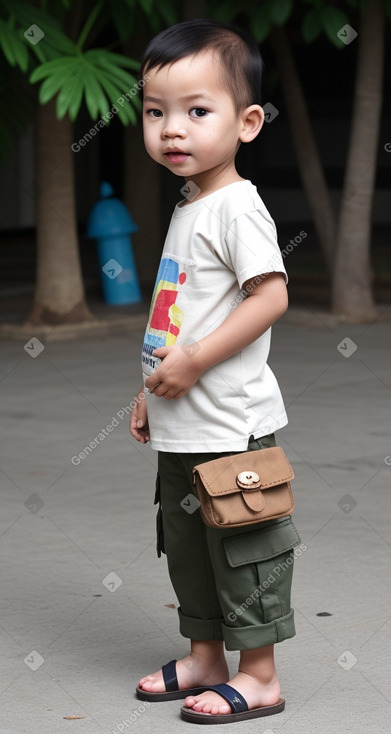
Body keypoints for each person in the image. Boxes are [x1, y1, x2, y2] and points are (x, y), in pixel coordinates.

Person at [129, 18, 301, 725]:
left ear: (248, 121)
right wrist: (147, 391)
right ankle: (204, 655)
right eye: (155, 111)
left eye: (197, 111)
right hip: (182, 421)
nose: (173, 129)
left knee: (242, 546)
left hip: (230, 424)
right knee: (190, 547)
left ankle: (257, 676)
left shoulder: (237, 206)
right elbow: (177, 315)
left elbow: (271, 295)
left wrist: (196, 362)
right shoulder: (191, 203)